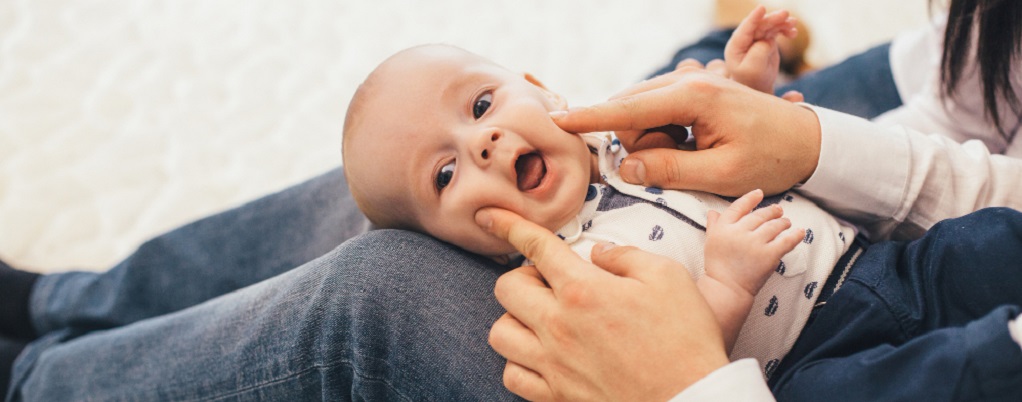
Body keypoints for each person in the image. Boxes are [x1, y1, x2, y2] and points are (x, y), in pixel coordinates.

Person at [0, 1, 1019, 400]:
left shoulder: (606, 143)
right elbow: (688, 330)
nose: (482, 143)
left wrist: (740, 82)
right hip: (827, 335)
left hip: (886, 271)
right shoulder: (561, 272)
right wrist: (730, 270)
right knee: (379, 193)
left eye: (487, 104)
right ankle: (59, 307)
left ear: (538, 84)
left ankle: (41, 366)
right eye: (453, 176)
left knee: (382, 268)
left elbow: (673, 370)